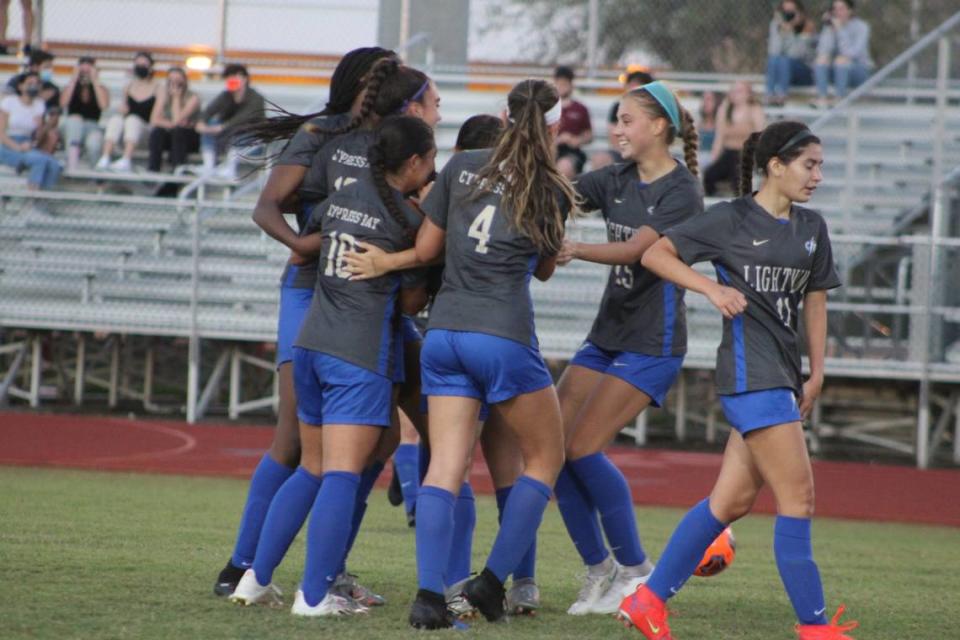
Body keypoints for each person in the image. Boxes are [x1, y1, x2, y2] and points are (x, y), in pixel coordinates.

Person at [617, 120, 857, 640]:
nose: (817, 175)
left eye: (820, 165)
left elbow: (816, 300)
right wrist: (710, 289)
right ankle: (815, 628)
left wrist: (818, 370)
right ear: (776, 165)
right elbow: (655, 254)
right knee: (799, 500)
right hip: (752, 376)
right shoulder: (729, 219)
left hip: (783, 377)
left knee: (729, 504)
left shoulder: (812, 227)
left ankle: (647, 599)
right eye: (809, 165)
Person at [228, 58, 443, 612]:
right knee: (344, 474)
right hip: (359, 349)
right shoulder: (410, 220)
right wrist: (411, 261)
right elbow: (416, 298)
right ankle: (316, 593)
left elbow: (308, 225)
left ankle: (253, 576)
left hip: (313, 342)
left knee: (314, 466)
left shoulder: (334, 202)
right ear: (414, 161)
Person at [211, 46, 396, 600]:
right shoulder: (320, 132)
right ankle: (241, 565)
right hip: (310, 290)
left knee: (374, 440)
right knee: (294, 438)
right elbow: (267, 205)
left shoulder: (396, 138)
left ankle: (330, 570)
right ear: (359, 83)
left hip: (367, 296)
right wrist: (301, 245)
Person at [406, 78, 575, 629]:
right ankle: (491, 582)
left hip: (445, 331)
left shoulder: (461, 165)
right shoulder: (549, 185)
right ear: (553, 128)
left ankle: (430, 596)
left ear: (502, 118)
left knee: (445, 468)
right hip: (502, 333)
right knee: (546, 459)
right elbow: (545, 268)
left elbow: (427, 249)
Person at [552, 79, 702, 617]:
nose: (616, 129)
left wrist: (573, 248)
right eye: (615, 120)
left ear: (658, 126)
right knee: (552, 451)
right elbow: (559, 194)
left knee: (583, 448)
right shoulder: (614, 176)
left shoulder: (681, 190)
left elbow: (640, 251)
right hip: (606, 335)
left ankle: (638, 570)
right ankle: (600, 570)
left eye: (626, 120)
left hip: (651, 343)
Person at [195, 63, 265, 179]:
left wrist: (223, 127)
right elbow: (208, 111)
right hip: (227, 138)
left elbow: (244, 118)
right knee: (210, 125)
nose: (231, 80)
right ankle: (209, 165)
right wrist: (201, 123)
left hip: (251, 141)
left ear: (244, 78)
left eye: (236, 77)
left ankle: (231, 168)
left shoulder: (256, 98)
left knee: (239, 133)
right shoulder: (226, 96)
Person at [96, 52, 160, 172]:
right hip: (128, 132)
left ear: (150, 67)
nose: (140, 67)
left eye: (144, 64)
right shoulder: (128, 87)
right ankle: (105, 157)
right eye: (138, 65)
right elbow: (124, 110)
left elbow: (155, 118)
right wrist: (123, 111)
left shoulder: (158, 88)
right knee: (116, 119)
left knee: (133, 120)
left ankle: (126, 159)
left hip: (145, 132)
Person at [0, 71, 60, 190]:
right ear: (20, 86)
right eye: (30, 83)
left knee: (54, 165)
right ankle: (32, 200)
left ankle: (43, 199)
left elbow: (38, 138)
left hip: (27, 144)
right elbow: (1, 133)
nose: (34, 86)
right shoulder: (9, 102)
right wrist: (18, 147)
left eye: (37, 83)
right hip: (7, 144)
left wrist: (40, 127)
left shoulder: (39, 104)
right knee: (39, 161)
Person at [703, 81, 765, 196]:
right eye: (734, 91)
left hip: (745, 154)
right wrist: (713, 158)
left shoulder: (754, 109)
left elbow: (759, 135)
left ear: (748, 94)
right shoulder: (725, 109)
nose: (736, 94)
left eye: (740, 91)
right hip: (728, 152)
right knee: (709, 175)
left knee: (738, 177)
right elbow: (719, 137)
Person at [590, 68, 654, 171]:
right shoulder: (618, 107)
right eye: (631, 85)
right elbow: (614, 137)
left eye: (638, 86)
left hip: (646, 154)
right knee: (600, 160)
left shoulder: (654, 110)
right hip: (621, 152)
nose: (633, 90)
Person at [813, 0, 872, 108]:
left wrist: (840, 30)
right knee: (821, 59)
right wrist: (830, 29)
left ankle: (839, 98)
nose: (837, 12)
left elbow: (851, 54)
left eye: (841, 9)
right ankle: (822, 98)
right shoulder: (830, 27)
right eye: (834, 9)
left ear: (850, 11)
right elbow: (822, 51)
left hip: (857, 71)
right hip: (835, 71)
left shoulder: (862, 27)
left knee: (841, 60)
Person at [60, 56, 109, 171]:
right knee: (75, 120)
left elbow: (103, 105)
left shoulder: (101, 88)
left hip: (91, 126)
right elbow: (63, 103)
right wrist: (74, 78)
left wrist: (95, 80)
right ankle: (72, 162)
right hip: (71, 127)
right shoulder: (70, 87)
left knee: (94, 143)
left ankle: (97, 176)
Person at [147, 67, 200, 173]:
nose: (175, 83)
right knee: (157, 132)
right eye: (171, 80)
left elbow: (177, 119)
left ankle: (178, 168)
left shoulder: (193, 98)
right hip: (171, 134)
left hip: (189, 138)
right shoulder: (164, 96)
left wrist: (176, 98)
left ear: (184, 81)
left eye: (178, 80)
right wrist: (171, 124)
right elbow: (154, 120)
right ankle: (153, 168)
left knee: (178, 132)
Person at [766, 1, 817, 106]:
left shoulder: (807, 27)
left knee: (785, 60)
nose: (788, 15)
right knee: (773, 59)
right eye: (785, 12)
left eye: (792, 12)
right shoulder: (777, 25)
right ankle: (769, 96)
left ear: (800, 12)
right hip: (783, 73)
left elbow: (796, 54)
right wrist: (780, 30)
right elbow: (773, 51)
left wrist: (791, 31)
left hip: (805, 73)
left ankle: (781, 97)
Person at [553, 65, 593, 179]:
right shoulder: (547, 108)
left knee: (564, 167)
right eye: (559, 83)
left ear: (571, 85)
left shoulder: (580, 108)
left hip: (572, 153)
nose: (562, 87)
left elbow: (589, 135)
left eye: (565, 84)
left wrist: (577, 140)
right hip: (551, 151)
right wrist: (558, 140)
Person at [697, 90, 719, 157]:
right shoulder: (698, 125)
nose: (705, 103)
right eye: (704, 99)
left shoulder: (720, 125)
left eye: (709, 99)